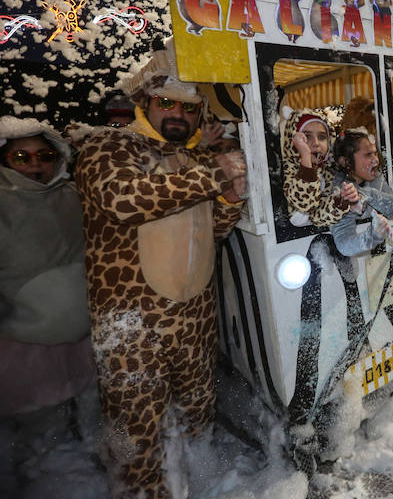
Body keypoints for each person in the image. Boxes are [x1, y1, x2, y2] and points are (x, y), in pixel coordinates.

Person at [74, 42, 247, 499]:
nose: (178, 114)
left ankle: (205, 481)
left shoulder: (194, 159)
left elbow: (214, 232)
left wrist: (230, 199)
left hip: (194, 318)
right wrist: (215, 177)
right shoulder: (107, 146)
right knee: (136, 437)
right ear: (144, 103)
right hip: (133, 326)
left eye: (190, 108)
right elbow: (124, 199)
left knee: (197, 418)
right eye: (166, 102)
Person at [0, 117, 95, 480]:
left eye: (45, 156)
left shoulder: (72, 196)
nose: (36, 165)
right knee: (30, 444)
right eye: (21, 157)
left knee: (70, 436)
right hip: (23, 349)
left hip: (77, 342)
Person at [330, 130, 393, 257]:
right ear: (346, 161)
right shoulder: (341, 192)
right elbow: (344, 244)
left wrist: (367, 195)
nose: (375, 160)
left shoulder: (374, 176)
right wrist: (373, 236)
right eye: (368, 155)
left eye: (375, 153)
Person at [281, 108, 358, 227]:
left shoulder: (327, 172)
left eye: (322, 137)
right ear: (293, 141)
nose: (316, 143)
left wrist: (341, 201)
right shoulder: (287, 169)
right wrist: (305, 156)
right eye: (307, 136)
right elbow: (304, 203)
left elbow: (317, 217)